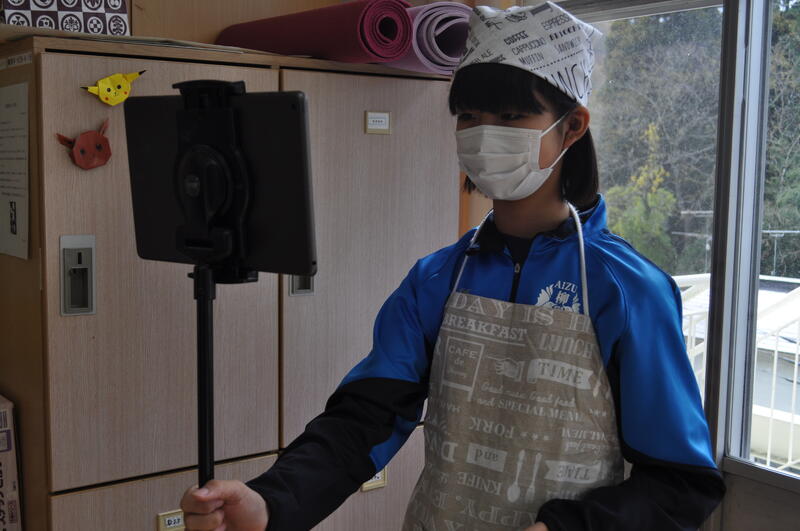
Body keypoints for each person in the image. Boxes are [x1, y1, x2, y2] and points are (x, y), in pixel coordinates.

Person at [180, 3, 725, 530]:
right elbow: (365, 419)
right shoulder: (437, 279)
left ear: (573, 126)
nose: (484, 134)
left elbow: (679, 484)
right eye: (469, 116)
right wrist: (272, 502)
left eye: (511, 116)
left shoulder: (626, 288)